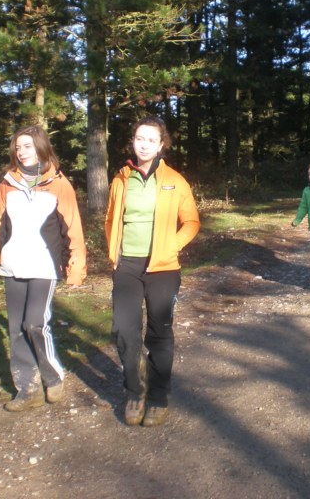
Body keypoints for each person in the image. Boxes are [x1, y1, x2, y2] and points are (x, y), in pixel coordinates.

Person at [0, 125, 87, 412]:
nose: (21, 152)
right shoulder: (7, 184)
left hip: (44, 266)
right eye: (18, 147)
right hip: (13, 265)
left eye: (27, 146)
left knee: (34, 323)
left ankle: (53, 375)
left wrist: (76, 267)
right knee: (16, 328)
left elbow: (73, 230)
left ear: (41, 147)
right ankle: (27, 389)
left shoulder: (59, 184)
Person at [105, 116, 200, 427]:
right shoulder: (121, 179)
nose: (144, 145)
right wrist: (114, 254)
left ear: (161, 145)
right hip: (128, 266)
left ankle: (158, 396)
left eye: (151, 140)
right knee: (123, 330)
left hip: (163, 267)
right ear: (133, 141)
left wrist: (172, 246)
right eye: (139, 138)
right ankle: (135, 391)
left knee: (159, 333)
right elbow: (111, 220)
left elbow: (191, 222)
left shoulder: (175, 180)